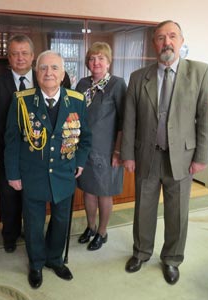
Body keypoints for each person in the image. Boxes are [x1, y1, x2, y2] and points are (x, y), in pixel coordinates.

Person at [121, 20, 208, 285]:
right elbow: (129, 120)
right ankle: (141, 252)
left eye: (172, 36)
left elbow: (205, 118)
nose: (166, 42)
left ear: (181, 41)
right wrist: (127, 153)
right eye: (160, 38)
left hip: (182, 159)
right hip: (147, 156)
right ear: (154, 44)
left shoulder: (200, 72)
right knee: (143, 209)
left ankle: (172, 259)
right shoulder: (139, 77)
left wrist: (201, 157)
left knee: (177, 213)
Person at [4, 50, 92, 289]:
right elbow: (11, 140)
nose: (49, 73)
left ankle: (54, 259)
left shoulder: (76, 100)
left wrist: (80, 162)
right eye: (43, 68)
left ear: (63, 73)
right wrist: (13, 174)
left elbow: (85, 137)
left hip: (64, 173)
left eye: (54, 68)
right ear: (36, 72)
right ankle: (36, 263)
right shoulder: (21, 100)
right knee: (33, 223)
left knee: (61, 220)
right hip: (32, 174)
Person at [0, 34, 38, 253]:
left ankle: (32, 233)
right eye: (14, 53)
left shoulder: (45, 79)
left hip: (37, 153)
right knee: (9, 196)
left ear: (32, 56)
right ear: (8, 57)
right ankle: (10, 235)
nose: (20, 58)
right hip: (6, 154)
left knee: (33, 197)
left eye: (24, 53)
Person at [76, 42, 127, 251]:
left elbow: (125, 120)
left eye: (101, 58)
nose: (96, 62)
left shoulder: (117, 84)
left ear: (108, 62)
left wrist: (118, 151)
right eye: (92, 58)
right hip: (84, 149)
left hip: (107, 151)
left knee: (104, 193)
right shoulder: (82, 84)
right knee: (88, 191)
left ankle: (102, 232)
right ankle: (90, 227)